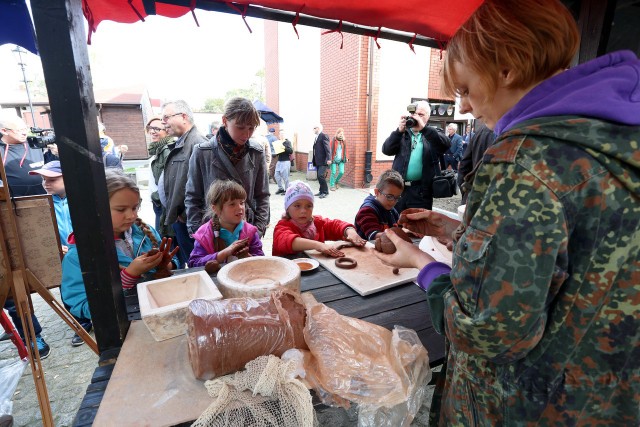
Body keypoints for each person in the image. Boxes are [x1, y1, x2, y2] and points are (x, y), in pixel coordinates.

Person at [375, 1, 640, 425]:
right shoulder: (613, 142)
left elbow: (488, 329)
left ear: (505, 69)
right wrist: (457, 231)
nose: (462, 107)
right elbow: (565, 257)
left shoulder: (526, 161)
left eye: (463, 89)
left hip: (521, 406)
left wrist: (420, 264)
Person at [61, 169, 179, 321]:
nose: (132, 215)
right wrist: (129, 276)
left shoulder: (145, 232)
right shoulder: (78, 256)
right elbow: (80, 306)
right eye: (121, 209)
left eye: (135, 207)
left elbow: (167, 269)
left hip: (160, 311)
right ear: (95, 208)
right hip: (123, 326)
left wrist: (166, 265)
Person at [0, 113, 51, 359]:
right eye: (18, 130)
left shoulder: (37, 145)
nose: (24, 134)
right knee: (11, 284)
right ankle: (32, 335)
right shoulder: (2, 150)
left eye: (24, 129)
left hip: (41, 214)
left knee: (50, 270)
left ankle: (81, 317)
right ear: (4, 131)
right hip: (8, 218)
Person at [28, 161, 93, 347]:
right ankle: (81, 322)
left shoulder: (82, 199)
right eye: (43, 179)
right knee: (68, 289)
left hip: (82, 252)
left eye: (52, 179)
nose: (46, 183)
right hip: (61, 255)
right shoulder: (42, 204)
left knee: (89, 283)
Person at [185, 97, 270, 239]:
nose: (246, 134)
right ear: (225, 121)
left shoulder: (257, 152)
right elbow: (193, 196)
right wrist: (198, 232)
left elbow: (262, 195)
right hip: (212, 232)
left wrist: (258, 229)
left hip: (246, 230)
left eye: (251, 128)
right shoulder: (202, 152)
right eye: (240, 127)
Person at [160, 100, 208, 268]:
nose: (163, 122)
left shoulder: (198, 143)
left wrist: (187, 216)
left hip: (191, 221)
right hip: (181, 219)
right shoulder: (181, 142)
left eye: (166, 117)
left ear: (184, 117)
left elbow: (206, 188)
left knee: (198, 266)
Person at [381, 101, 450, 212]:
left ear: (428, 116)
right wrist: (398, 132)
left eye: (421, 115)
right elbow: (386, 150)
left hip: (421, 192)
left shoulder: (433, 133)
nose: (417, 117)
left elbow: (445, 146)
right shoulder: (403, 134)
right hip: (399, 189)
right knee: (395, 223)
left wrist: (424, 129)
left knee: (418, 225)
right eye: (415, 114)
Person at [272, 180, 365, 257]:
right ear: (287, 208)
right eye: (297, 206)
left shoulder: (317, 223)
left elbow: (334, 225)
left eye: (309, 206)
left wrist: (349, 231)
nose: (303, 211)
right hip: (290, 273)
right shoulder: (282, 226)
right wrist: (318, 245)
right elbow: (287, 241)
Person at [188, 180, 264, 267]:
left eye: (241, 203)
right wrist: (224, 253)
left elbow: (260, 261)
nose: (240, 208)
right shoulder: (205, 234)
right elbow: (193, 263)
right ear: (215, 208)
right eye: (232, 204)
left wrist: (246, 257)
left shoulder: (250, 231)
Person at [354, 170, 403, 240]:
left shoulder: (391, 210)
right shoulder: (367, 211)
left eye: (397, 197)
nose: (393, 202)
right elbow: (373, 235)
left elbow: (400, 228)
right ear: (377, 192)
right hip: (367, 248)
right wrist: (396, 235)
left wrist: (408, 231)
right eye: (389, 196)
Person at [456, 123, 496, 205]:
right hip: (493, 200)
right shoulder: (516, 130)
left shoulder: (481, 130)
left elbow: (464, 166)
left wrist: (466, 193)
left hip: (475, 196)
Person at [146, 117, 174, 231]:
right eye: (150, 128)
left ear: (167, 131)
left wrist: (155, 197)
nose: (152, 131)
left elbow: (170, 183)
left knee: (167, 242)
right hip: (158, 204)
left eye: (157, 128)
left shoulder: (167, 150)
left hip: (163, 205)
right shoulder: (157, 149)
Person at [311, 124, 331, 198]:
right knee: (319, 176)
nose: (313, 129)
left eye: (314, 128)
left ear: (318, 128)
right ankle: (321, 191)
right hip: (317, 160)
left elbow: (327, 148)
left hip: (323, 160)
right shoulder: (317, 137)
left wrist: (329, 159)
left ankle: (325, 192)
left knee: (320, 175)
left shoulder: (323, 135)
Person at [274, 129, 293, 195]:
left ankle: (287, 190)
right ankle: (281, 188)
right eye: (280, 134)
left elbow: (290, 151)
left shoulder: (287, 142)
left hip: (286, 161)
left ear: (285, 135)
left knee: (285, 177)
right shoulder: (278, 142)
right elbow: (278, 153)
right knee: (276, 175)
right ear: (279, 135)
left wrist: (284, 147)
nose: (281, 135)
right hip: (279, 161)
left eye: (283, 134)